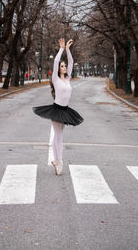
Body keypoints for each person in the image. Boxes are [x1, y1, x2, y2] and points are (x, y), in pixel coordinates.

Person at [33, 38, 83, 175]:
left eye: (64, 66)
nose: (64, 67)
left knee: (58, 135)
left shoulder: (67, 79)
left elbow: (71, 62)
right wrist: (61, 49)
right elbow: (55, 61)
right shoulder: (55, 78)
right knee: (59, 135)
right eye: (62, 66)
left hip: (65, 110)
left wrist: (68, 50)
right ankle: (59, 160)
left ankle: (56, 160)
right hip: (56, 110)